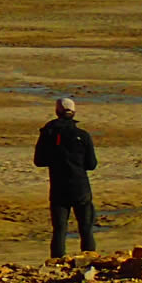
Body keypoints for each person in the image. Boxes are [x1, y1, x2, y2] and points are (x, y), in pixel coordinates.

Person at [34, 96, 98, 258]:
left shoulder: (47, 133)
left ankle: (57, 262)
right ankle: (89, 259)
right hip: (80, 187)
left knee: (60, 229)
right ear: (74, 113)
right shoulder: (82, 135)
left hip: (58, 187)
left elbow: (39, 161)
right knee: (85, 227)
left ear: (57, 112)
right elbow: (91, 164)